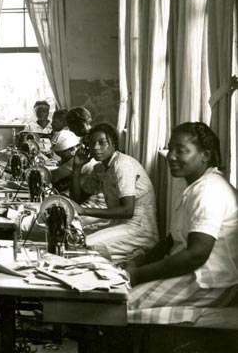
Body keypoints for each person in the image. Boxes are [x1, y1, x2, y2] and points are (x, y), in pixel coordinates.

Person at [125, 122, 238, 317]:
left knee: (119, 304)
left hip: (211, 282)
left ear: (206, 155)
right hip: (196, 274)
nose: (170, 156)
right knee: (116, 290)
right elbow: (172, 240)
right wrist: (137, 262)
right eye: (171, 149)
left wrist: (137, 274)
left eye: (181, 151)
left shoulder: (209, 190)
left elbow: (197, 254)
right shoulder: (195, 186)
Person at [70, 122, 158, 261]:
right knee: (72, 236)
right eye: (92, 144)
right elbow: (77, 200)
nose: (96, 147)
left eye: (102, 142)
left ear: (114, 144)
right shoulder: (100, 169)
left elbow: (127, 211)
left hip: (139, 230)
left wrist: (85, 211)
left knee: (82, 245)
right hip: (118, 223)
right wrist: (77, 167)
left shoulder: (122, 164)